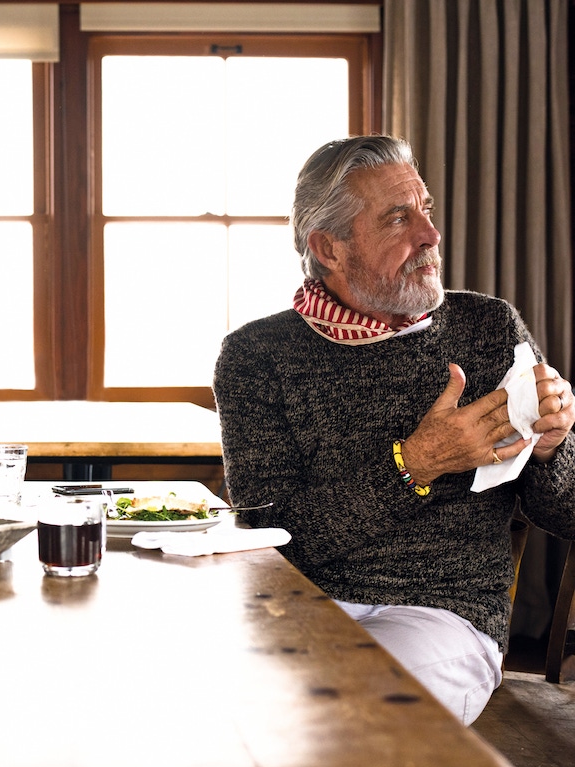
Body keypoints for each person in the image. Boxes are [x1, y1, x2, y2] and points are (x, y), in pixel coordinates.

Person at [213, 135, 575, 725]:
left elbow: (567, 514)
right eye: (398, 219)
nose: (430, 236)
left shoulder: (487, 326)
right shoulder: (256, 355)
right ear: (329, 247)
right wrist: (415, 464)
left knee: (355, 715)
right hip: (297, 605)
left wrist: (552, 450)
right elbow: (269, 537)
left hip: (443, 614)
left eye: (425, 210)